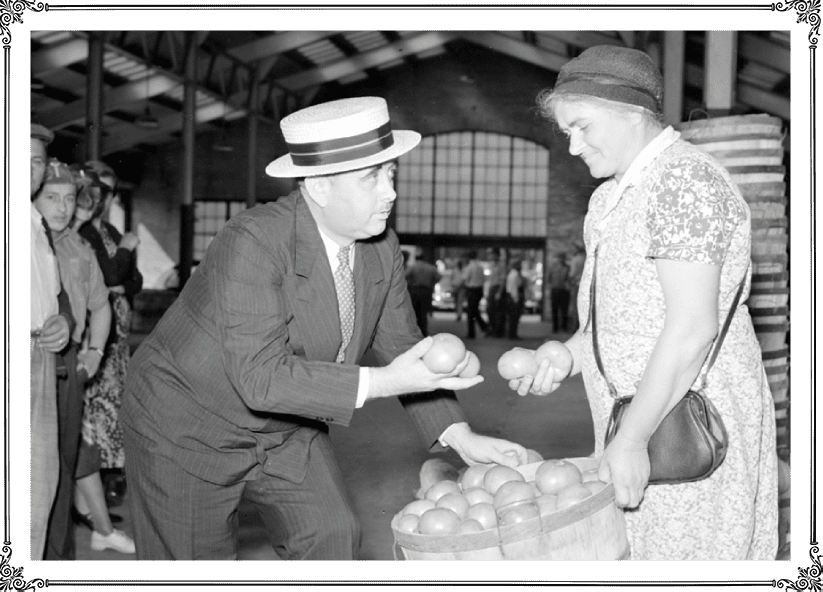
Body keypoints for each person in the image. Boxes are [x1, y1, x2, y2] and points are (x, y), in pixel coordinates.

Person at [121, 96, 529, 561]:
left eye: (391, 172)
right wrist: (386, 381)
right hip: (187, 423)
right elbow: (261, 378)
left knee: (332, 536)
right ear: (318, 187)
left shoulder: (380, 246)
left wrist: (458, 434)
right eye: (370, 177)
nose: (390, 192)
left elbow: (401, 344)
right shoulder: (252, 241)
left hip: (289, 425)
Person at [510, 45, 778, 560]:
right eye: (567, 131)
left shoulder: (683, 183)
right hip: (636, 426)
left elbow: (691, 328)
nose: (572, 146)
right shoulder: (609, 198)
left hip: (691, 432)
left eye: (582, 126)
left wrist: (631, 441)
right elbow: (620, 320)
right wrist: (569, 353)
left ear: (631, 113)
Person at [35, 160, 135, 557]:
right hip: (37, 361)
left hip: (70, 365)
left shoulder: (77, 246)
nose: (62, 207)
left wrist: (94, 352)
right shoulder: (35, 243)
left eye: (69, 199)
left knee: (70, 458)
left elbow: (102, 303)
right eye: (52, 198)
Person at [75, 160, 142, 508]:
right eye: (95, 190)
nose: (100, 198)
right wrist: (129, 250)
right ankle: (88, 500)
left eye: (107, 191)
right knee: (93, 413)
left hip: (117, 338)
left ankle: (99, 493)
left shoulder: (111, 233)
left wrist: (122, 277)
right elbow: (112, 275)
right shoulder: (85, 232)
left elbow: (134, 281)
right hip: (97, 336)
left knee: (113, 410)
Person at [30, 123, 74, 560]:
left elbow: (50, 294)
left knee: (37, 491)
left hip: (40, 356)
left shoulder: (35, 223)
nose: (30, 168)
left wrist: (60, 320)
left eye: (38, 159)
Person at [405, 248, 441, 336]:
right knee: (423, 313)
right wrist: (432, 283)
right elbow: (438, 277)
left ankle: (415, 332)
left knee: (414, 312)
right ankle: (424, 332)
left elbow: (405, 276)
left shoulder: (413, 267)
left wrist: (411, 282)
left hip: (415, 290)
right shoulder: (430, 267)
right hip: (426, 291)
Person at [462, 250, 488, 339]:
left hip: (472, 290)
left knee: (471, 312)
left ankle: (472, 332)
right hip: (479, 290)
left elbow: (465, 278)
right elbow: (484, 279)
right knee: (474, 310)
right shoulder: (480, 266)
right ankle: (484, 326)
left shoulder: (469, 267)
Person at [485, 248, 507, 337]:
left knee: (497, 312)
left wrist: (499, 292)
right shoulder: (491, 265)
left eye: (492, 254)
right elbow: (489, 280)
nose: (491, 256)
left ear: (497, 255)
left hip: (497, 289)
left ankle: (498, 331)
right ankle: (492, 329)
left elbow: (502, 281)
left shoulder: (501, 266)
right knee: (490, 310)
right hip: (492, 288)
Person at [547, 252, 571, 333]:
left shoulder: (567, 267)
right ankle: (555, 327)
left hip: (564, 290)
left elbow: (569, 279)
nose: (561, 260)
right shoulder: (553, 267)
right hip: (555, 289)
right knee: (555, 309)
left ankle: (564, 327)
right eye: (560, 258)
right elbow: (549, 279)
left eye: (562, 258)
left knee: (564, 309)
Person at [504, 259, 526, 339]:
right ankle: (512, 334)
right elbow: (514, 288)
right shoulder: (515, 274)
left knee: (513, 317)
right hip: (514, 297)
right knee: (514, 317)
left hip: (511, 296)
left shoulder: (513, 273)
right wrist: (516, 299)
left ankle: (512, 333)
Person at [567, 242, 586, 332]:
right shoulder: (585, 258)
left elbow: (572, 273)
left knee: (575, 306)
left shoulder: (576, 259)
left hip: (577, 283)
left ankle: (574, 327)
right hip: (584, 284)